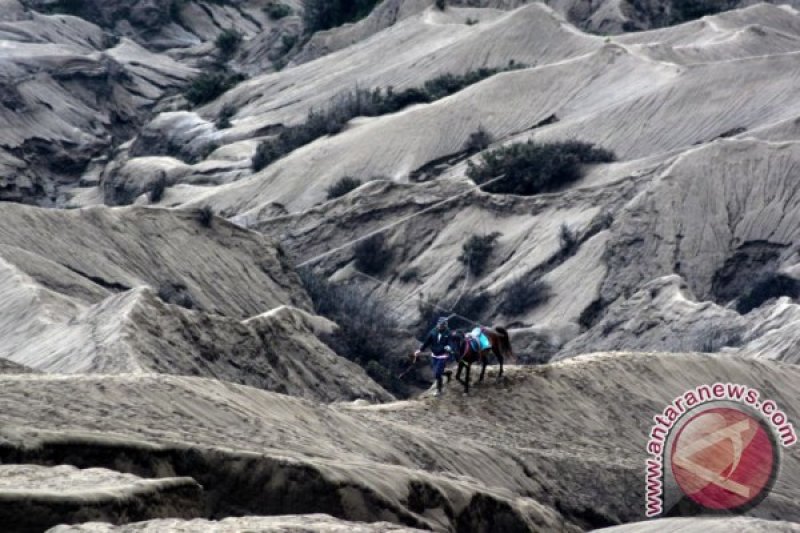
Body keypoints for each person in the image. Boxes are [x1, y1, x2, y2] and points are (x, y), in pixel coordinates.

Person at [415, 316, 455, 396]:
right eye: (439, 325)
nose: (439, 326)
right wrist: (420, 350)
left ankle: (438, 390)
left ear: (445, 325)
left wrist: (449, 348)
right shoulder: (433, 332)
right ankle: (447, 373)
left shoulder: (448, 333)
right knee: (436, 372)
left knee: (437, 374)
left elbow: (451, 343)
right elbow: (427, 342)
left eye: (442, 325)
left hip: (443, 356)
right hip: (434, 355)